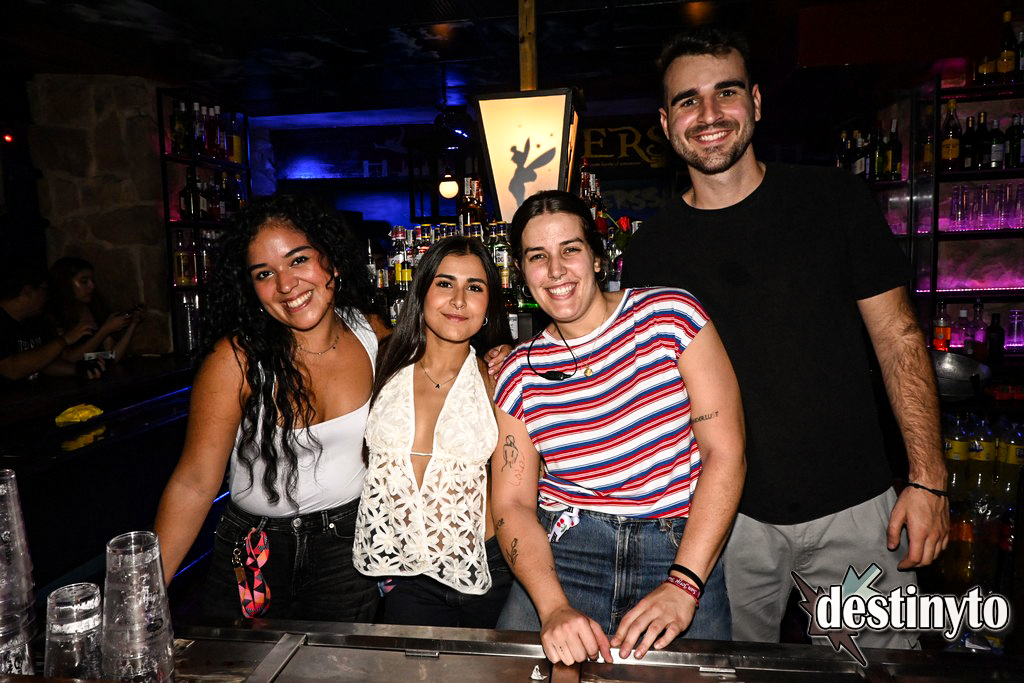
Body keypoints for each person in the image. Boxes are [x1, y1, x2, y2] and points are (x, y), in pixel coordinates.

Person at [622, 27, 947, 650]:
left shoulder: (833, 200)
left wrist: (928, 478)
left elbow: (899, 338)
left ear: (756, 102)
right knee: (729, 675)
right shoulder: (651, 251)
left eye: (726, 92)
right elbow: (638, 382)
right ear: (665, 123)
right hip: (725, 522)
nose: (709, 114)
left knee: (879, 672)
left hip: (857, 508)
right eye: (688, 100)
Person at [491, 190, 744, 665]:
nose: (556, 270)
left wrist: (684, 583)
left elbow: (725, 453)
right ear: (522, 272)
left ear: (597, 256)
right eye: (537, 257)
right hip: (567, 554)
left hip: (676, 548)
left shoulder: (670, 317)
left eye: (570, 249)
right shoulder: (519, 372)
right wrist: (553, 606)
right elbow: (512, 503)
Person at [153, 195, 384, 622]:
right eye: (265, 273)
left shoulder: (372, 333)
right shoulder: (235, 361)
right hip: (254, 555)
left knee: (340, 662)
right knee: (242, 660)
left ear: (331, 262)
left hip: (348, 551)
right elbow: (194, 483)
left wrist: (493, 358)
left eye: (298, 260)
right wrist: (145, 596)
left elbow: (439, 364)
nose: (286, 284)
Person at [353, 236, 514, 627]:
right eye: (445, 284)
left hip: (487, 569)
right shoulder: (380, 361)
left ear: (489, 305)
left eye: (474, 288)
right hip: (404, 573)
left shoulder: (500, 376)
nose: (458, 300)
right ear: (422, 291)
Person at [0, 264, 96, 381]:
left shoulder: (36, 320)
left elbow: (43, 362)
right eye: (44, 289)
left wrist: (78, 369)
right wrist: (64, 340)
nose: (46, 296)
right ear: (27, 291)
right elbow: (11, 369)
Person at [46, 256, 143, 364]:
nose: (91, 286)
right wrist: (104, 331)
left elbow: (112, 356)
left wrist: (133, 324)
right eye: (84, 281)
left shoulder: (94, 308)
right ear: (65, 283)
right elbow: (69, 358)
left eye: (92, 281)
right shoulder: (54, 316)